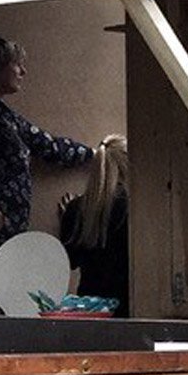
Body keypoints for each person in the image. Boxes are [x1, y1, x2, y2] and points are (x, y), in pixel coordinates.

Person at [0, 30, 96, 308]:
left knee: (2, 287)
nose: (23, 71)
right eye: (17, 64)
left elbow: (47, 145)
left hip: (6, 227)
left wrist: (94, 155)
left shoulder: (6, 117)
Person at [57, 134, 130, 312]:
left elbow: (70, 261)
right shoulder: (135, 209)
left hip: (91, 307)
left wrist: (68, 219)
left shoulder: (77, 209)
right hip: (129, 304)